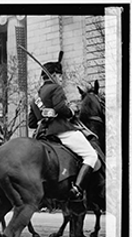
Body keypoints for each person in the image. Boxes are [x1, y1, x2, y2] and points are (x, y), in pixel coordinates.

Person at [28, 52, 98, 200]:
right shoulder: (56, 88)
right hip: (61, 131)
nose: (60, 78)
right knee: (91, 155)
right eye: (59, 76)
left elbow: (31, 123)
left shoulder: (35, 97)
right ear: (53, 74)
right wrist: (71, 111)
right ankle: (77, 189)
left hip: (44, 135)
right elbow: (61, 108)